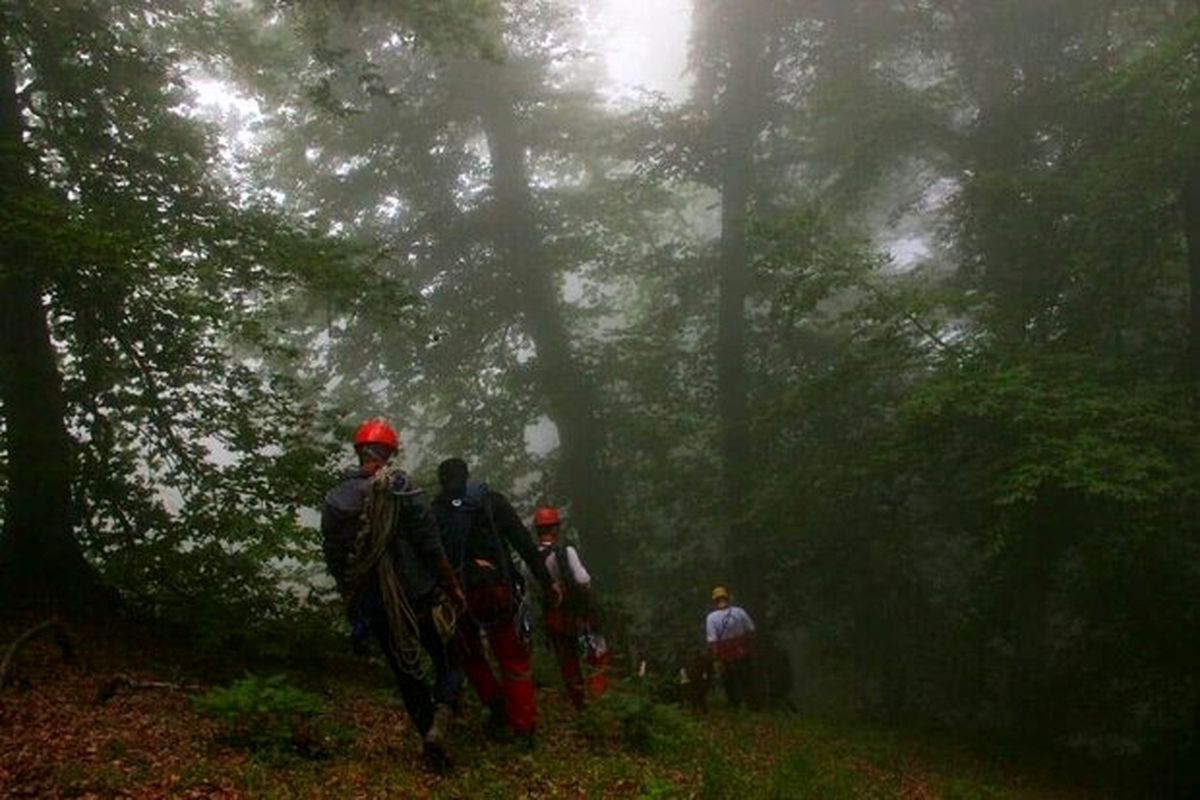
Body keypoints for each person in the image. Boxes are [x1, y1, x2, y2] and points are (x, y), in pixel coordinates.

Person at [320, 419, 466, 770]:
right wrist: (452, 587)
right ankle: (441, 719)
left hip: (378, 604)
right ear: (390, 452)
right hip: (419, 594)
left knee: (407, 672)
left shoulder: (336, 498)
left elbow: (336, 558)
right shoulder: (401, 488)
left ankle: (430, 737)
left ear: (359, 452)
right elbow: (430, 545)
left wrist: (353, 603)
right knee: (452, 655)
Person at [432, 457, 560, 747]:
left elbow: (430, 555)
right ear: (467, 476)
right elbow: (523, 543)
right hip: (498, 591)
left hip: (459, 596)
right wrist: (548, 582)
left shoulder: (437, 510)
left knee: (469, 655)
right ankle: (523, 729)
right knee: (513, 660)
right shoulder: (491, 502)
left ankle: (496, 704)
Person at [533, 505, 610, 709]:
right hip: (578, 615)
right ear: (556, 528)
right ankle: (599, 698)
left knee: (567, 661)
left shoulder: (530, 560)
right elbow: (583, 580)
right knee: (596, 653)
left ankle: (578, 702)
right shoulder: (566, 551)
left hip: (553, 616)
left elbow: (533, 590)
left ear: (537, 530)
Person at [705, 586, 757, 709]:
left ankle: (735, 705)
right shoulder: (739, 612)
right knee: (746, 678)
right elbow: (751, 630)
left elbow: (713, 640)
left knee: (729, 681)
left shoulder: (711, 617)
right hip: (742, 651)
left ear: (714, 600)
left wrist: (716, 658)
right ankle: (751, 704)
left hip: (725, 655)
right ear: (727, 598)